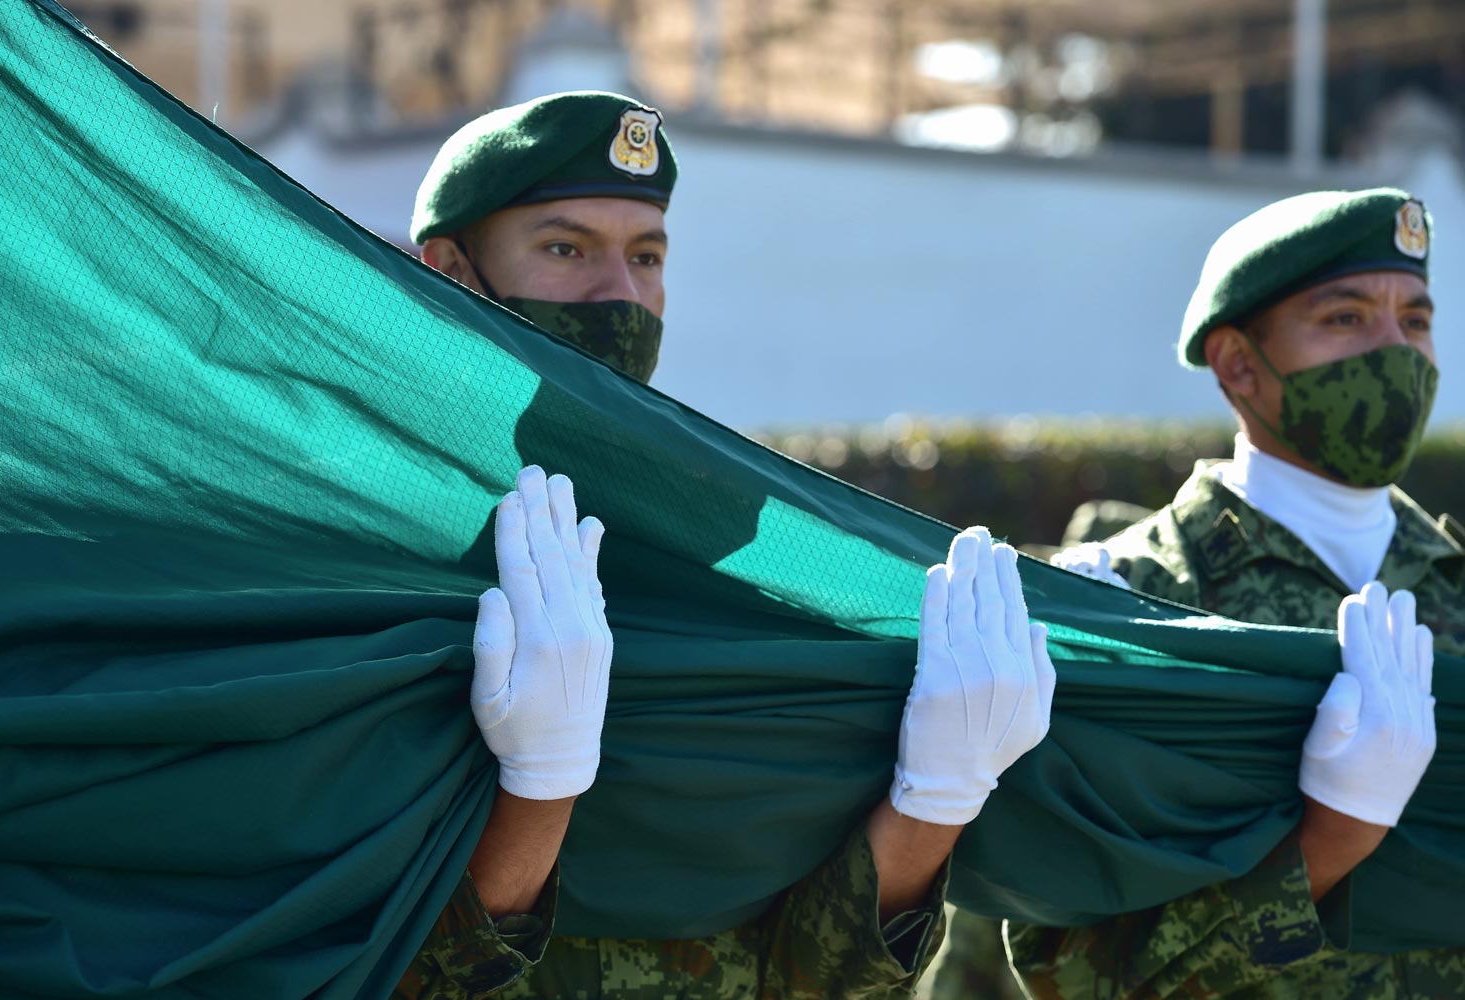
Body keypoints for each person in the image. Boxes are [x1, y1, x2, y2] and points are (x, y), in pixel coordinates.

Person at [390, 91, 1060, 999]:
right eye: (565, 248)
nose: (619, 295)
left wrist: (931, 804)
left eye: (646, 256)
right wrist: (536, 794)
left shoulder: (734, 535)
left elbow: (810, 979)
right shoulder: (378, 532)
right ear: (452, 272)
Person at [1008, 188, 1461, 998]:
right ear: (1239, 364)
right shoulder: (1127, 604)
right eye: (1346, 318)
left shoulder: (1456, 588)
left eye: (1417, 321)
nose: (1396, 351)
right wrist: (1326, 846)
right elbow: (1064, 971)